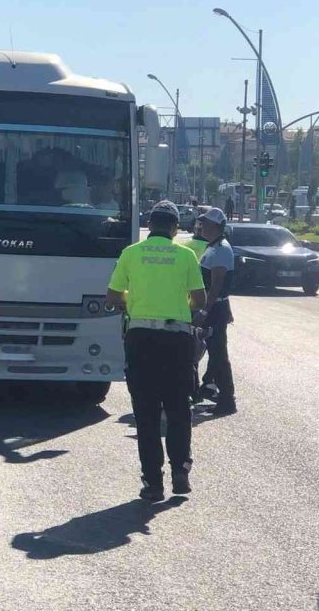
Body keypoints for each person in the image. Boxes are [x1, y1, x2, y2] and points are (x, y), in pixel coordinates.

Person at [106, 200, 206, 501]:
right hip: (176, 340)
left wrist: (133, 303)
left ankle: (153, 483)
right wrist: (177, 306)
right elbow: (199, 300)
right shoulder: (186, 255)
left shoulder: (131, 253)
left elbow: (113, 296)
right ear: (175, 228)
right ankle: (180, 473)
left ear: (152, 224)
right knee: (178, 409)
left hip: (140, 339)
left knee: (146, 413)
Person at [197, 208, 237, 414]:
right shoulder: (213, 247)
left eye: (205, 223)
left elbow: (216, 286)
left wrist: (203, 312)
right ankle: (208, 387)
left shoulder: (220, 249)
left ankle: (227, 399)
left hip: (214, 308)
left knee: (218, 353)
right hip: (215, 307)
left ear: (215, 227)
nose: (201, 225)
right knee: (214, 352)